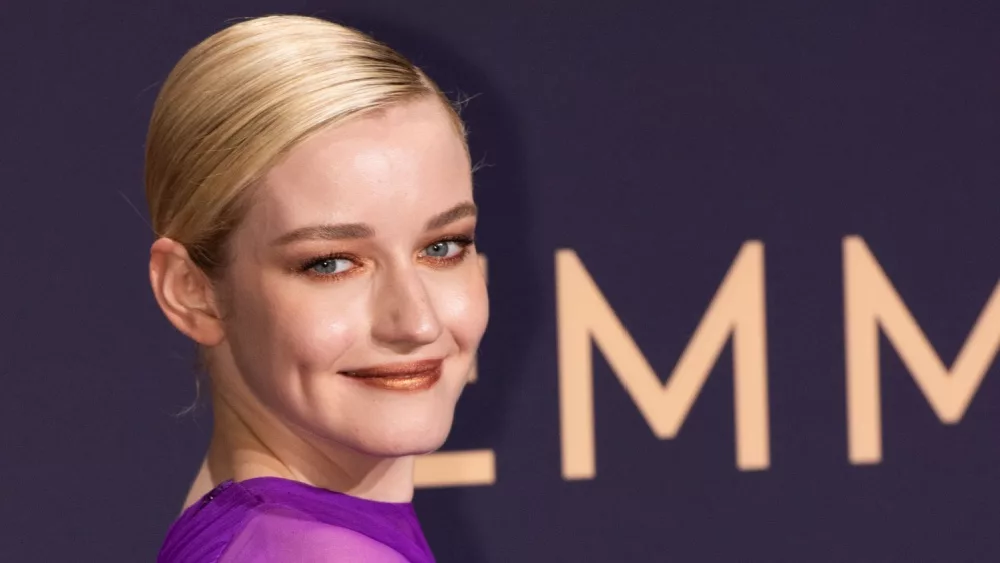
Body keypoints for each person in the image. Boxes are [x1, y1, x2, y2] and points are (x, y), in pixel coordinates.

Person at [145, 14, 489, 562]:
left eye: (442, 247)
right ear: (192, 291)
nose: (417, 322)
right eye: (331, 263)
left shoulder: (247, 525)